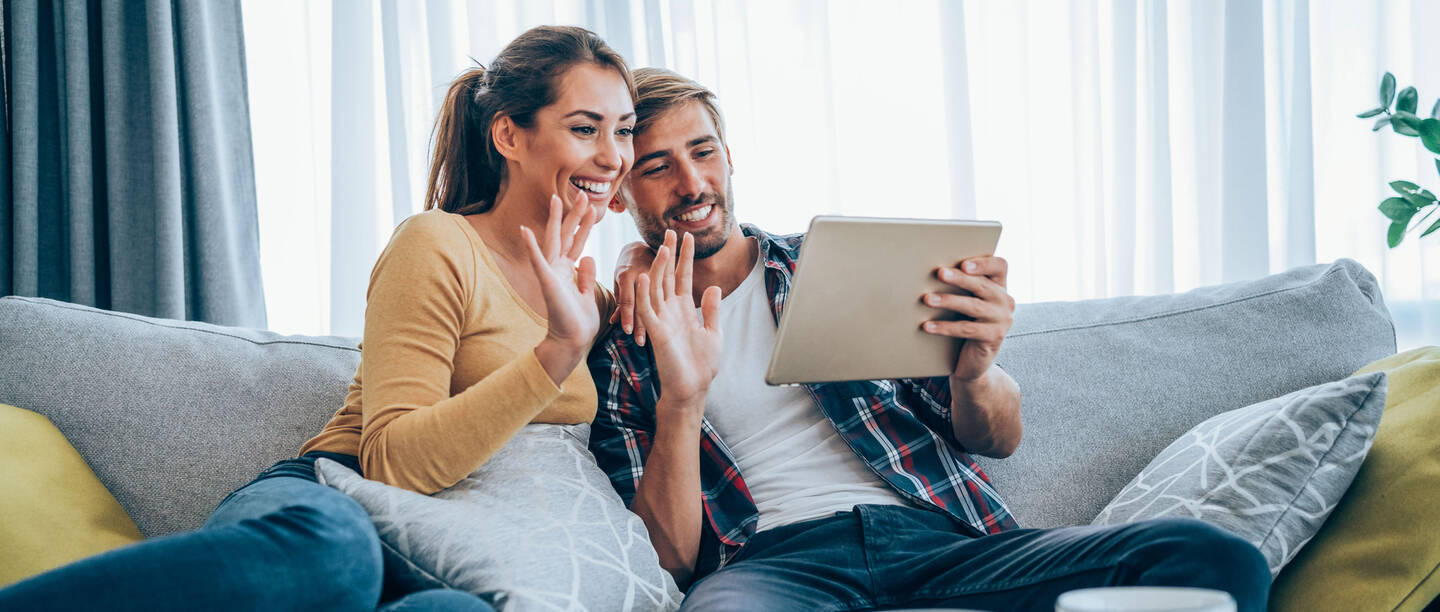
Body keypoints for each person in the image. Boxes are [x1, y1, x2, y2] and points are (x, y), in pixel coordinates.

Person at [0, 25, 635, 612]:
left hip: (455, 549)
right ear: (508, 135)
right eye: (586, 129)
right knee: (333, 556)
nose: (613, 157)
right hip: (334, 504)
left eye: (626, 131)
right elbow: (392, 461)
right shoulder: (438, 243)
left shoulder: (595, 303)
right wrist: (553, 351)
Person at [588, 68, 1272, 612]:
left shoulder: (834, 266)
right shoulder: (624, 341)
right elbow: (671, 556)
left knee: (1211, 559)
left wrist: (976, 373)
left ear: (729, 157)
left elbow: (996, 438)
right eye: (656, 167)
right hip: (774, 565)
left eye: (702, 152)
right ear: (620, 195)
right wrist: (682, 398)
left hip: (938, 540)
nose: (692, 182)